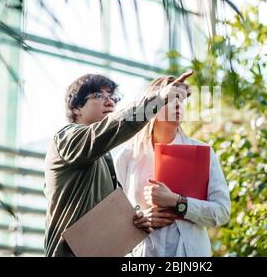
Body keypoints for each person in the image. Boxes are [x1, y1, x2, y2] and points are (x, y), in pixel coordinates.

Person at [44, 71, 193, 257]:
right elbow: (113, 128)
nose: (110, 102)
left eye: (112, 97)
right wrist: (159, 99)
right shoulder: (67, 138)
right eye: (99, 96)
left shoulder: (103, 156)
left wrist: (134, 220)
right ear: (76, 108)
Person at [115, 76, 231, 257]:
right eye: (171, 99)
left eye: (181, 100)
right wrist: (141, 218)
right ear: (152, 106)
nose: (178, 105)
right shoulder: (127, 157)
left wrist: (179, 202)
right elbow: (114, 220)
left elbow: (222, 212)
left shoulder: (202, 152)